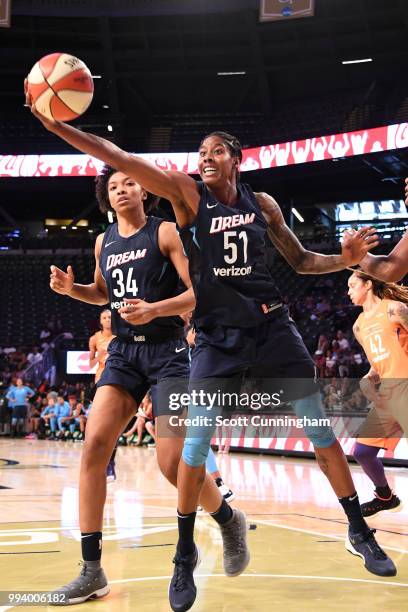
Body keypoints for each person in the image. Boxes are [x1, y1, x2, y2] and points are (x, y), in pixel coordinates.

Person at [26, 96, 394, 611]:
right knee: (192, 451)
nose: (205, 157)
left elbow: (304, 259)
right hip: (217, 338)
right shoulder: (187, 197)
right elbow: (121, 156)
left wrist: (344, 260)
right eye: (201, 152)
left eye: (216, 151)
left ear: (235, 160)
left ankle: (359, 531)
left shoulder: (261, 205)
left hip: (270, 326)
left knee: (318, 431)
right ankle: (184, 557)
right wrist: (56, 125)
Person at [45, 163, 243, 605]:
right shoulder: (103, 241)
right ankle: (92, 570)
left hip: (169, 354)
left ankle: (227, 518)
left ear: (144, 190)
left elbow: (201, 291)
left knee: (172, 464)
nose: (121, 190)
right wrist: (71, 288)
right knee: (94, 445)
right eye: (113, 186)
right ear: (106, 196)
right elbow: (102, 293)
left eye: (128, 183)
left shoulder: (166, 232)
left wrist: (155, 309)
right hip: (124, 355)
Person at [348, 269, 407, 516]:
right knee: (362, 452)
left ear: (368, 284)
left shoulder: (394, 309)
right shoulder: (359, 326)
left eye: (352, 286)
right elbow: (377, 362)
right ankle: (385, 496)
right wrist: (368, 378)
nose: (348, 291)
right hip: (387, 394)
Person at [89, 309, 117, 480]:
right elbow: (89, 363)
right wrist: (99, 356)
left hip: (117, 379)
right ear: (100, 321)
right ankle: (103, 463)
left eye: (110, 317)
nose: (107, 320)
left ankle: (111, 463)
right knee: (101, 425)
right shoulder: (94, 339)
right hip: (100, 381)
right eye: (104, 318)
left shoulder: (121, 335)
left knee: (113, 426)